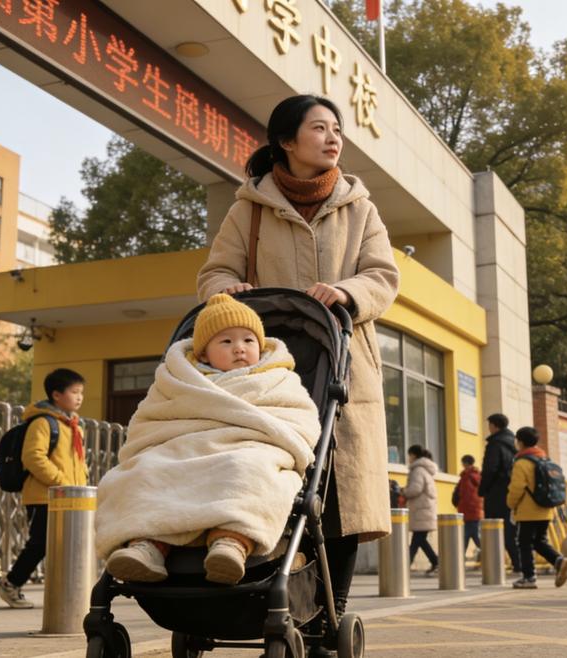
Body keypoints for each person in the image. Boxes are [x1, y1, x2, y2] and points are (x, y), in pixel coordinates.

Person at [197, 95, 399, 639]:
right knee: (273, 485)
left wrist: (348, 291)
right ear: (286, 141)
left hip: (343, 367)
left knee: (341, 499)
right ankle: (274, 605)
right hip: (267, 373)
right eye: (319, 128)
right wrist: (229, 290)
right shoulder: (249, 208)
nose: (333, 138)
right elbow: (214, 273)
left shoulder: (360, 207)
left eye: (337, 129)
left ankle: (329, 618)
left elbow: (383, 276)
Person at [95, 295, 321, 585]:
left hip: (250, 446)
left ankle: (231, 542)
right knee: (146, 470)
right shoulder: (177, 380)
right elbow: (149, 422)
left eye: (249, 340)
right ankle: (147, 546)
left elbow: (300, 420)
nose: (239, 347)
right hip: (179, 448)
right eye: (226, 341)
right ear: (203, 354)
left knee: (248, 469)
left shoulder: (278, 379)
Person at [0, 368, 89, 608]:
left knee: (67, 545)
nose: (79, 397)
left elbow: (78, 462)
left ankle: (67, 592)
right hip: (44, 497)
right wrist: (61, 481)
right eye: (74, 392)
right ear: (56, 395)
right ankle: (11, 583)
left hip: (70, 497)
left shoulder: (74, 426)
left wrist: (80, 485)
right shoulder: (43, 423)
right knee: (40, 543)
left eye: (81, 392)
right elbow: (33, 458)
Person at [506, 427, 567, 589]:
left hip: (527, 511)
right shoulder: (545, 459)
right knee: (539, 541)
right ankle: (559, 560)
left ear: (520, 442)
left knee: (524, 543)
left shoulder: (521, 463)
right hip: (546, 509)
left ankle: (529, 577)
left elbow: (516, 488)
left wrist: (511, 504)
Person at [478, 413, 522, 572]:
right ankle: (518, 563)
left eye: (489, 425)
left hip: (496, 492)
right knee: (510, 528)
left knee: (495, 528)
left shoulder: (495, 444)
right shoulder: (515, 443)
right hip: (512, 490)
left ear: (495, 426)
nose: (488, 428)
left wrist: (482, 489)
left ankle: (497, 566)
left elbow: (490, 469)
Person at [403, 445, 439, 575]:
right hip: (425, 509)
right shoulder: (425, 470)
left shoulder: (418, 470)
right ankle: (436, 561)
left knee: (417, 540)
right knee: (420, 539)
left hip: (421, 511)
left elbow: (415, 489)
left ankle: (405, 566)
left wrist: (403, 491)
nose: (408, 458)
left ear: (414, 455)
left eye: (409, 455)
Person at [454, 454, 484, 555]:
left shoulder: (467, 476)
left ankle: (489, 553)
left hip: (469, 511)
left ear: (465, 463)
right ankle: (460, 557)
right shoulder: (476, 475)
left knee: (470, 536)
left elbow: (466, 495)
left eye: (463, 463)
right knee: (469, 536)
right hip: (474, 511)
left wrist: (458, 503)